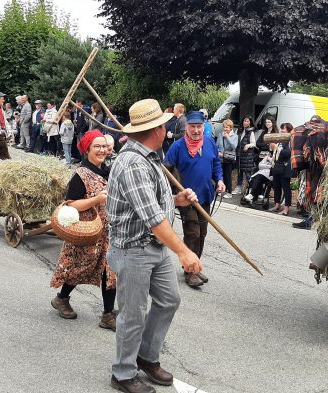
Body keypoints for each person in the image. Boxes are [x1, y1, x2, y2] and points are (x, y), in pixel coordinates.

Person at [106, 99, 201, 393]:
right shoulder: (133, 162)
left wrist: (176, 200)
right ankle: (123, 373)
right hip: (134, 249)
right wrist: (184, 251)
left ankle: (146, 357)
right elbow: (152, 219)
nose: (168, 129)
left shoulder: (149, 157)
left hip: (153, 247)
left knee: (169, 300)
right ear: (157, 130)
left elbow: (148, 204)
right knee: (133, 314)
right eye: (164, 125)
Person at [50, 130, 117, 330]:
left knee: (110, 271)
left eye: (104, 146)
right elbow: (71, 204)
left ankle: (107, 314)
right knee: (78, 268)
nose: (102, 150)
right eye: (97, 146)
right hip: (86, 231)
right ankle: (61, 298)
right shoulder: (81, 175)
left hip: (107, 232)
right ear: (87, 149)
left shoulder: (108, 171)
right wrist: (96, 200)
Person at [164, 111, 225, 288]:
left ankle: (195, 266)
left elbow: (216, 165)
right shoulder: (177, 146)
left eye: (199, 126)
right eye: (193, 126)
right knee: (193, 233)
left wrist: (220, 180)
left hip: (205, 195)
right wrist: (172, 193)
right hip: (186, 197)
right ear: (187, 127)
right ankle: (190, 272)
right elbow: (166, 170)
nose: (196, 130)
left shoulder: (210, 143)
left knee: (202, 234)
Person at [268, 123, 293, 215]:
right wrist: (272, 148)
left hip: (285, 167)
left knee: (286, 188)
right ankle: (277, 205)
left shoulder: (289, 140)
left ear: (289, 130)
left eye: (284, 129)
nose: (282, 130)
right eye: (281, 128)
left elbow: (287, 153)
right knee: (276, 187)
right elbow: (274, 152)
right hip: (276, 166)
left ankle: (286, 208)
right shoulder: (279, 139)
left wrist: (277, 148)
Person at [232, 115, 256, 195]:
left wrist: (248, 145)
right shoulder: (239, 131)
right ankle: (238, 188)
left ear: (250, 123)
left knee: (248, 174)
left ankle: (251, 190)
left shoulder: (251, 132)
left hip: (247, 156)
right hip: (239, 155)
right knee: (240, 172)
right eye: (244, 121)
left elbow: (253, 143)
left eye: (247, 121)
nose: (245, 122)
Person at [217, 119, 238, 198]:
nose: (225, 129)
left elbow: (234, 146)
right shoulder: (220, 135)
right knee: (221, 175)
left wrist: (228, 138)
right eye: (224, 127)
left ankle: (229, 192)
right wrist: (218, 152)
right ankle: (222, 190)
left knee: (227, 175)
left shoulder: (235, 136)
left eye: (227, 127)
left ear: (231, 128)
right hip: (220, 158)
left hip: (229, 158)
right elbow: (217, 145)